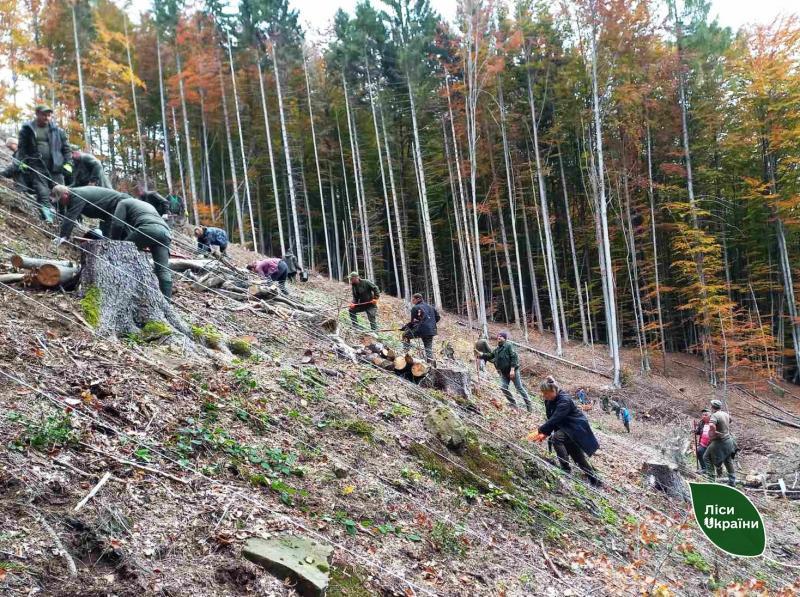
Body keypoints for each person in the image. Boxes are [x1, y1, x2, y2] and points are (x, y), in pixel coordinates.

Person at [530, 376, 602, 486]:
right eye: (543, 393)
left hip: (576, 428)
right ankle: (594, 480)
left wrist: (540, 430)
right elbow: (551, 418)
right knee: (578, 457)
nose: (544, 396)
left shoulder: (565, 400)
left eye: (546, 393)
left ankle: (566, 468)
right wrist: (545, 432)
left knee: (556, 438)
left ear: (553, 390)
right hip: (566, 428)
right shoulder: (549, 400)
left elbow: (556, 418)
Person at [16, 105, 73, 223]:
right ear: (37, 114)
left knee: (61, 192)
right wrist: (22, 161)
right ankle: (48, 218)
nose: (47, 118)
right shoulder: (27, 130)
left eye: (49, 115)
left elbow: (67, 149)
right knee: (42, 191)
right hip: (37, 166)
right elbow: (22, 148)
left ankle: (64, 218)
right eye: (44, 115)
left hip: (56, 166)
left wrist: (68, 163)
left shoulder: (58, 131)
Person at [109, 197, 173, 298]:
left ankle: (117, 288)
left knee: (121, 253)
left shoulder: (123, 202)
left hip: (148, 228)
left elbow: (117, 224)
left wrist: (114, 244)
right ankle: (167, 302)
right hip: (165, 232)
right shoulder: (145, 205)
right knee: (163, 270)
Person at [50, 185, 129, 243]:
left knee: (115, 235)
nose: (61, 203)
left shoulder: (76, 196)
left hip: (118, 203)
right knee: (107, 234)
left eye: (61, 200)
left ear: (66, 194)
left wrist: (62, 237)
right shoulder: (73, 195)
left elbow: (69, 218)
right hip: (110, 209)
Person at [478, 331, 532, 412]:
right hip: (503, 373)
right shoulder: (497, 349)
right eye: (498, 336)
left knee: (519, 388)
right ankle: (513, 404)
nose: (499, 337)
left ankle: (529, 406)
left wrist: (512, 369)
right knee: (503, 387)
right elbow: (491, 355)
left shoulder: (508, 345)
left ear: (505, 338)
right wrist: (481, 355)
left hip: (513, 371)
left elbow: (514, 357)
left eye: (501, 336)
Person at [703, 400, 737, 486]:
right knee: (727, 460)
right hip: (728, 440)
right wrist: (723, 427)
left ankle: (711, 480)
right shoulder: (725, 414)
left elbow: (711, 425)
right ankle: (732, 481)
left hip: (719, 441)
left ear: (712, 407)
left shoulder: (714, 415)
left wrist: (714, 431)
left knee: (706, 457)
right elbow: (730, 420)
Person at [401, 293, 441, 363]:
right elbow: (438, 317)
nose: (412, 301)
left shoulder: (415, 308)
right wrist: (430, 323)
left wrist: (405, 327)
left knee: (405, 335)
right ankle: (430, 363)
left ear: (418, 299)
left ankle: (405, 354)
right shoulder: (431, 307)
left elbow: (413, 322)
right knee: (428, 348)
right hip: (431, 330)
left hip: (421, 329)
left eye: (413, 299)